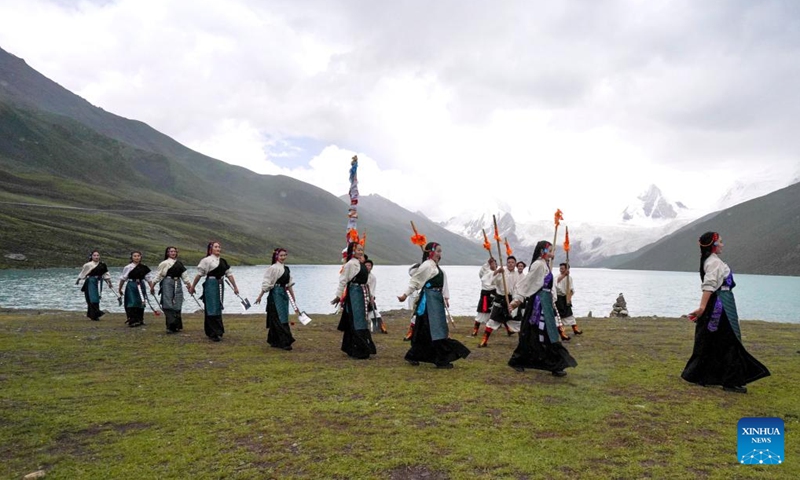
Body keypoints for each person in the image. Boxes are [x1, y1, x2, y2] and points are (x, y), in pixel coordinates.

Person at [681, 232, 770, 394]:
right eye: (720, 242)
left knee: (712, 339)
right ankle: (730, 381)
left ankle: (704, 376)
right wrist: (702, 308)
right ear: (713, 245)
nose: (723, 244)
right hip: (720, 305)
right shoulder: (714, 263)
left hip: (721, 302)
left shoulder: (711, 261)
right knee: (730, 341)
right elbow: (709, 286)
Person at [508, 241, 577, 377]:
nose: (552, 253)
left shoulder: (545, 265)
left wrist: (552, 299)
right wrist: (518, 300)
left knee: (546, 333)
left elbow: (548, 286)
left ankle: (553, 364)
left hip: (545, 302)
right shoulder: (538, 265)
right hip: (537, 304)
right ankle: (520, 361)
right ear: (542, 252)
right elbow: (528, 283)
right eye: (550, 250)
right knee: (534, 333)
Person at [398, 242, 470, 368]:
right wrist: (405, 295)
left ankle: (414, 355)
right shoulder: (427, 266)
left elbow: (443, 284)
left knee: (428, 330)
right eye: (437, 251)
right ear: (430, 252)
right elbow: (415, 281)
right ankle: (440, 359)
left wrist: (445, 297)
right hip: (429, 302)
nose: (439, 254)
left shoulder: (435, 266)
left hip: (436, 300)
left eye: (440, 251)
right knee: (434, 330)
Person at [331, 242, 377, 359]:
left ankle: (353, 347)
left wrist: (370, 296)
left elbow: (366, 281)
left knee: (361, 319)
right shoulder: (350, 264)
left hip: (362, 293)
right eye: (358, 250)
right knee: (356, 319)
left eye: (362, 250)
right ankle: (358, 349)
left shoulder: (360, 263)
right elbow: (343, 281)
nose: (360, 252)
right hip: (354, 293)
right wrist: (338, 296)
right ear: (352, 251)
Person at [190, 241, 240, 342]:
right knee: (211, 306)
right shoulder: (206, 260)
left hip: (220, 284)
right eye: (216, 247)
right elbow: (199, 274)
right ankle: (212, 332)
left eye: (219, 247)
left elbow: (229, 274)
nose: (218, 248)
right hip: (211, 284)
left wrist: (235, 287)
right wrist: (193, 286)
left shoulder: (223, 261)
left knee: (218, 306)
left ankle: (218, 331)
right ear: (210, 249)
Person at [255, 248, 297, 351]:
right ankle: (284, 341)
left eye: (285, 255)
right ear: (277, 256)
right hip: (275, 294)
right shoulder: (273, 268)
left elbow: (289, 284)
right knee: (278, 317)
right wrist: (260, 295)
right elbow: (267, 283)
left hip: (284, 294)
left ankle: (274, 340)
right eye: (281, 255)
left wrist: (293, 297)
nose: (283, 257)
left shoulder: (287, 269)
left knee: (283, 317)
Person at [478, 255, 521, 347]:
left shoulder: (518, 276)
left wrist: (516, 300)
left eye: (512, 262)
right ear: (506, 263)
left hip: (511, 300)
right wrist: (497, 272)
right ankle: (484, 341)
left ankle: (522, 343)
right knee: (492, 321)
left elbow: (519, 288)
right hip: (500, 299)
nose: (510, 264)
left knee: (518, 323)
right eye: (509, 262)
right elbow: (490, 280)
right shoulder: (502, 272)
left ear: (515, 264)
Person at [151, 246, 192, 333]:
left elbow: (185, 276)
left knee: (177, 302)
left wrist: (189, 286)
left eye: (174, 251)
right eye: (171, 252)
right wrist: (153, 285)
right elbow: (159, 275)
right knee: (168, 303)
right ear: (167, 253)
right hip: (167, 282)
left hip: (178, 282)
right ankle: (170, 326)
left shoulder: (179, 264)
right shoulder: (164, 263)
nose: (173, 253)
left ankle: (177, 326)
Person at [118, 251, 155, 327]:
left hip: (141, 285)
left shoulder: (144, 267)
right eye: (134, 256)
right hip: (132, 285)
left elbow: (148, 278)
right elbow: (123, 279)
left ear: (141, 257)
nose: (136, 257)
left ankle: (140, 319)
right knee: (132, 302)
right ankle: (132, 320)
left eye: (138, 256)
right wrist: (120, 288)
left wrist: (152, 287)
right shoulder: (128, 267)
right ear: (131, 257)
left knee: (141, 302)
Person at [76, 250, 113, 321]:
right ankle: (95, 313)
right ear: (91, 256)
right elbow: (83, 273)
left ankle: (94, 314)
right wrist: (78, 280)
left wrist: (109, 283)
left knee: (97, 297)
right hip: (90, 281)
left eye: (97, 255)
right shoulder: (88, 265)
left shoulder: (102, 265)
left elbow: (105, 274)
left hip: (98, 281)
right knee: (92, 298)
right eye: (94, 255)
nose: (96, 257)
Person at [554, 263, 582, 340]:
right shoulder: (557, 277)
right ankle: (562, 334)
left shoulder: (570, 278)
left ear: (567, 269)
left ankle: (575, 329)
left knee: (570, 314)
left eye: (563, 268)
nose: (561, 269)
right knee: (559, 317)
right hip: (558, 298)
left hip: (566, 298)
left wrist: (569, 297)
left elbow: (571, 289)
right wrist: (564, 275)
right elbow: (555, 283)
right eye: (560, 268)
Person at [472, 257, 497, 336]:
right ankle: (475, 330)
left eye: (495, 264)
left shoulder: (499, 273)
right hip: (485, 295)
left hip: (495, 295)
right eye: (492, 263)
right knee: (481, 313)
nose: (494, 265)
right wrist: (488, 263)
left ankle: (508, 329)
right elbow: (482, 273)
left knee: (496, 313)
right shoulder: (485, 272)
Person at [364, 257, 388, 334]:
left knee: (374, 312)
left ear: (371, 267)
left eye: (369, 265)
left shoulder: (372, 277)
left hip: (369, 297)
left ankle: (380, 327)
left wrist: (372, 297)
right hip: (362, 296)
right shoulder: (361, 275)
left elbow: (372, 288)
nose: (367, 267)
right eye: (366, 265)